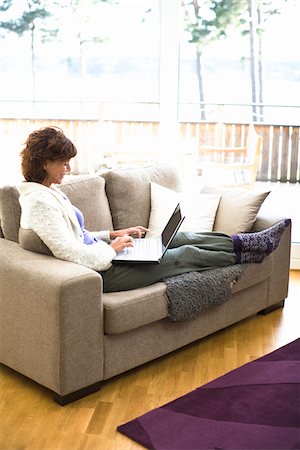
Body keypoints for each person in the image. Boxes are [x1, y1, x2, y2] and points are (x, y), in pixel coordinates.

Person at [18, 127, 290, 293]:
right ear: (44, 163)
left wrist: (114, 233)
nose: (68, 169)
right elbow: (68, 251)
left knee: (181, 238)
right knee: (186, 253)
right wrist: (112, 250)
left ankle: (247, 243)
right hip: (103, 271)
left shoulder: (51, 191)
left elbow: (80, 235)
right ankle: (246, 254)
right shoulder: (39, 204)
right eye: (63, 163)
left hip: (108, 255)